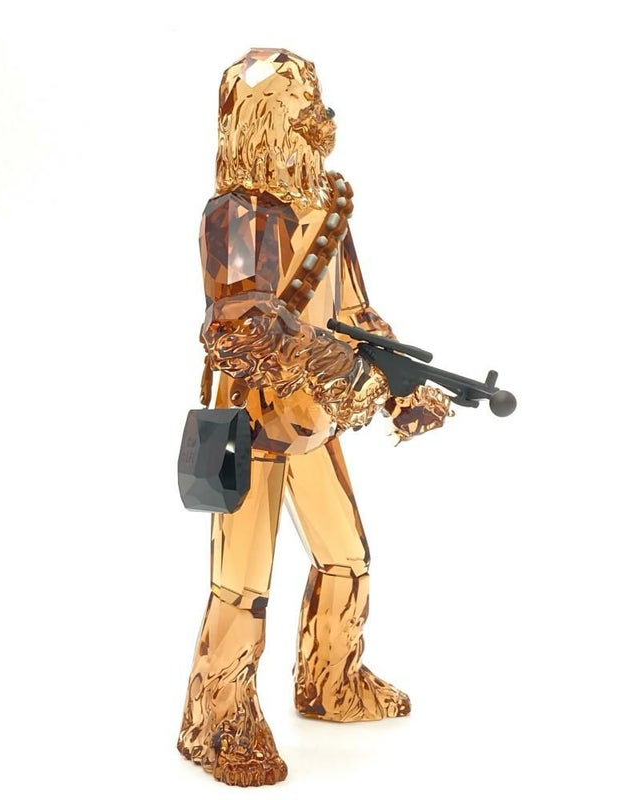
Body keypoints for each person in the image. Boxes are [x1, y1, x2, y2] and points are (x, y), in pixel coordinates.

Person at [177, 48, 451, 788]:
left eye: (317, 100)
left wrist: (399, 385)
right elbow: (238, 322)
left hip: (313, 424)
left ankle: (332, 682)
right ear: (265, 121)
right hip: (251, 429)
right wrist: (342, 369)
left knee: (347, 559)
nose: (320, 117)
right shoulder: (236, 214)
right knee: (241, 584)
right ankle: (218, 723)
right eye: (302, 105)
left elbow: (356, 314)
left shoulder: (326, 208)